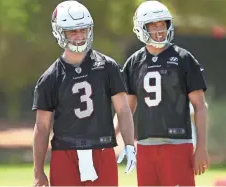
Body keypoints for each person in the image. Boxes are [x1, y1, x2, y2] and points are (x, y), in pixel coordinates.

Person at [32, 1, 136, 186]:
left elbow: (123, 110)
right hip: (65, 152)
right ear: (59, 32)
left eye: (83, 30)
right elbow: (42, 127)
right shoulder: (50, 78)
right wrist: (38, 172)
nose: (79, 36)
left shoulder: (108, 67)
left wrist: (129, 143)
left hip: (102, 149)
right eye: (72, 31)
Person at [118, 1, 210, 186]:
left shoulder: (183, 59)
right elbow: (126, 108)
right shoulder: (134, 63)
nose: (159, 30)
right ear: (141, 28)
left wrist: (201, 147)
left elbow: (200, 105)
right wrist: (114, 137)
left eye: (163, 24)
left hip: (178, 143)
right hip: (144, 145)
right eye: (153, 26)